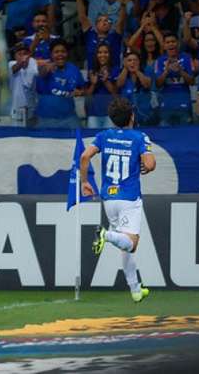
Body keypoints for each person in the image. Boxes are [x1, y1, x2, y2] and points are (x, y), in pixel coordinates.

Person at [80, 96, 156, 303]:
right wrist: (147, 165)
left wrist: (85, 182)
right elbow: (149, 164)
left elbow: (85, 157)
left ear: (112, 119)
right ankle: (105, 234)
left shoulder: (104, 136)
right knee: (131, 244)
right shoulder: (140, 137)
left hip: (109, 198)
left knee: (124, 244)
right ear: (132, 116)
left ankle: (135, 289)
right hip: (129, 198)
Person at [35, 39, 85, 128]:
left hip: (69, 118)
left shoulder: (74, 69)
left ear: (67, 53)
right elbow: (41, 74)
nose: (60, 54)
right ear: (51, 54)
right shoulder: (45, 67)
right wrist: (46, 69)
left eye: (63, 51)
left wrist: (80, 92)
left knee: (79, 138)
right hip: (46, 119)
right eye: (56, 52)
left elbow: (82, 89)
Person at [154, 33, 194, 125]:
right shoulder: (159, 61)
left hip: (184, 103)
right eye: (168, 42)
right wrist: (166, 71)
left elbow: (192, 81)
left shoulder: (187, 58)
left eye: (173, 41)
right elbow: (158, 84)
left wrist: (180, 71)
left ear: (178, 44)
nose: (171, 44)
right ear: (164, 46)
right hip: (166, 105)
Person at [86, 43, 119, 128]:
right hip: (93, 113)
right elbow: (87, 95)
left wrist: (105, 81)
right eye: (99, 52)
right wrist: (93, 84)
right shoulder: (92, 71)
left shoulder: (116, 70)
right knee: (92, 139)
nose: (102, 55)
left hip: (111, 113)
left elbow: (116, 93)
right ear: (96, 55)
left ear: (110, 54)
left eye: (106, 52)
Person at [8, 42, 39, 126]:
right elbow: (15, 69)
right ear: (15, 56)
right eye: (19, 54)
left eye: (25, 53)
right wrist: (23, 61)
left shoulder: (33, 65)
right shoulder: (11, 64)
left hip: (32, 111)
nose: (23, 56)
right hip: (16, 112)